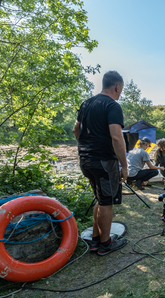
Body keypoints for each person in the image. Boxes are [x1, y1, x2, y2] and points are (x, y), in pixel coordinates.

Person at [72, 70, 128, 256]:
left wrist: (86, 146)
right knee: (107, 203)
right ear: (117, 87)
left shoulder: (86, 103)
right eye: (121, 90)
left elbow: (75, 130)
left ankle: (96, 239)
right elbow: (116, 137)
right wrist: (124, 165)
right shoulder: (112, 106)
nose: (120, 93)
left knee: (100, 198)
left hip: (86, 160)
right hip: (104, 161)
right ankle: (105, 244)